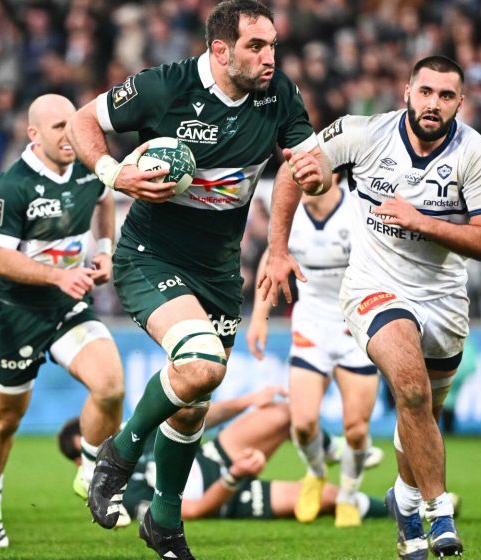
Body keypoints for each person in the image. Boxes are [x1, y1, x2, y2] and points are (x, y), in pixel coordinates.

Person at [66, 1, 329, 557]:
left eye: (273, 46)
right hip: (150, 255)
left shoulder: (278, 94)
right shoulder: (165, 87)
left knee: (193, 402)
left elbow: (301, 166)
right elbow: (81, 121)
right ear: (220, 50)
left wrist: (280, 242)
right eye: (256, 47)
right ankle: (119, 452)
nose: (269, 58)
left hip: (216, 269)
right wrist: (118, 174)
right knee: (202, 363)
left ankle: (164, 523)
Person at [264, 55, 481, 559]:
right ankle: (438, 513)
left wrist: (422, 221)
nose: (433, 104)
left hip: (442, 298)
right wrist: (277, 249)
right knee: (411, 391)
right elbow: (294, 171)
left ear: (461, 102)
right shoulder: (362, 134)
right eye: (425, 92)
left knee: (423, 415)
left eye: (445, 96)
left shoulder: (476, 155)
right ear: (407, 93)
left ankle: (405, 498)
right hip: (373, 287)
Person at [0, 93, 125, 548]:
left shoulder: (87, 167)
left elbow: (103, 201)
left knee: (111, 385)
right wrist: (59, 275)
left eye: (72, 124)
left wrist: (104, 252)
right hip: (16, 314)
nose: (68, 134)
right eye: (58, 127)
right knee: (4, 420)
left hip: (67, 307)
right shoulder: (11, 185)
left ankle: (90, 470)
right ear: (33, 134)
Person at [246, 184, 383, 527]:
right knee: (304, 422)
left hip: (356, 326)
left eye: (309, 171)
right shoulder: (290, 214)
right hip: (312, 327)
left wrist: (378, 310)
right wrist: (259, 318)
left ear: (333, 172)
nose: (300, 180)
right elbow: (271, 257)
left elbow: (389, 262)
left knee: (355, 428)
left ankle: (349, 496)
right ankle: (315, 472)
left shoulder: (360, 211)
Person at [56, 386, 389, 525]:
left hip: (211, 455)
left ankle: (336, 452)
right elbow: (196, 510)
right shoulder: (119, 498)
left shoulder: (131, 435)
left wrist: (247, 401)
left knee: (282, 413)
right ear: (80, 461)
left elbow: (193, 419)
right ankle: (398, 506)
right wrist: (235, 476)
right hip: (227, 494)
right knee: (328, 497)